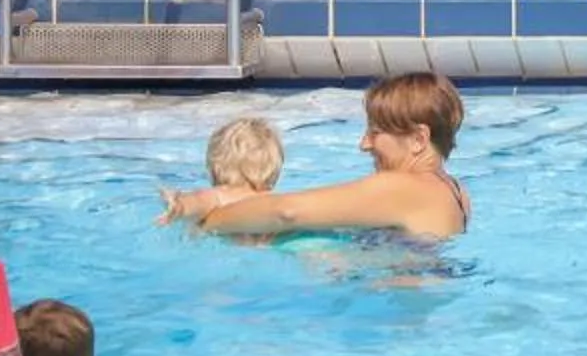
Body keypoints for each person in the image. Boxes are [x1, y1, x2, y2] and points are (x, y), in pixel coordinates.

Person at [162, 73, 469, 240]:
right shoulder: (455, 191)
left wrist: (208, 223)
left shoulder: (403, 187)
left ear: (418, 139)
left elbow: (287, 212)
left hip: (393, 332)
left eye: (375, 133)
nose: (364, 144)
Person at [152, 115, 284, 227]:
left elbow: (197, 203)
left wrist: (177, 205)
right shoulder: (276, 200)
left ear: (215, 168)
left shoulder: (220, 196)